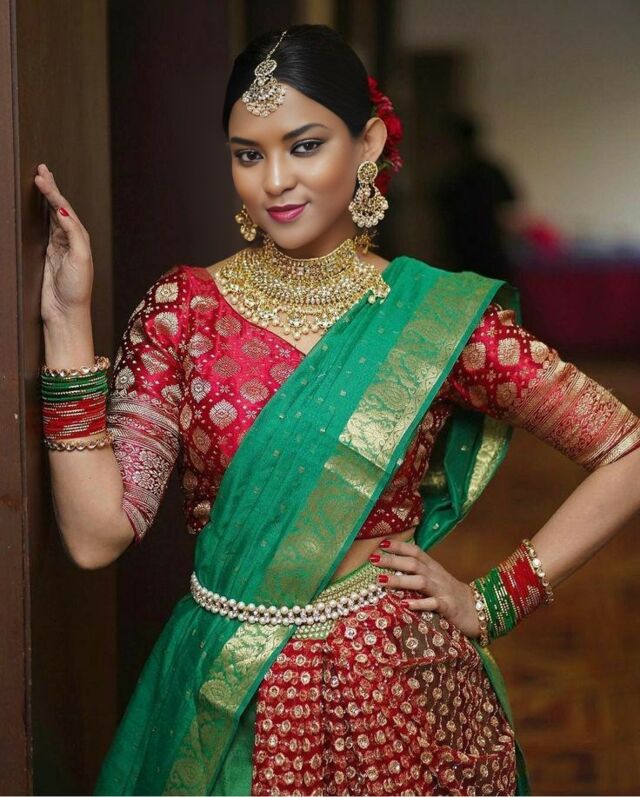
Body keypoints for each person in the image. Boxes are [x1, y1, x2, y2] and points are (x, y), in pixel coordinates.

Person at [34, 24, 640, 797]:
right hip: (222, 692)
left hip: (394, 689)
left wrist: (494, 597)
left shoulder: (432, 319)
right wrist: (66, 318)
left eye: (305, 146)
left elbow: (624, 450)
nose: (274, 180)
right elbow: (96, 534)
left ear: (367, 145)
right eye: (247, 154)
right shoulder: (183, 310)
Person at [433, 112, 522, 283]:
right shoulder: (484, 172)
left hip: (476, 254)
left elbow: (510, 215)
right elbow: (510, 213)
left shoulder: (456, 176)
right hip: (478, 253)